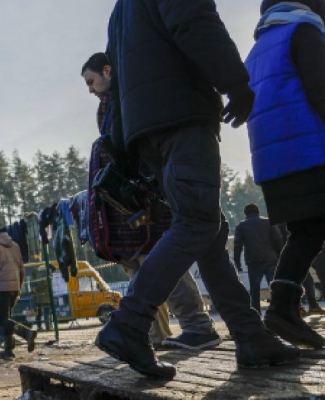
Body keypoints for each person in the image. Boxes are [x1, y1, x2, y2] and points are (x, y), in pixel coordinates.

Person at [96, 0, 300, 380]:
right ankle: (129, 323)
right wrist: (235, 83)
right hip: (182, 114)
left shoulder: (120, 10)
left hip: (147, 130)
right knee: (198, 222)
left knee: (208, 231)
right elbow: (196, 23)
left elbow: (120, 80)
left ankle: (250, 335)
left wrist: (124, 143)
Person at [82, 52, 222, 350]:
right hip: (123, 205)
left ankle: (198, 326)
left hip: (146, 199)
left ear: (107, 71)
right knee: (140, 268)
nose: (90, 89)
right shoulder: (109, 106)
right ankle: (153, 334)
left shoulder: (130, 98)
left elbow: (140, 146)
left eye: (91, 81)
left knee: (161, 264)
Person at [245, 0, 325, 348]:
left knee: (307, 230)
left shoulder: (258, 48)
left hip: (274, 159)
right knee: (311, 229)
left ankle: (283, 308)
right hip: (311, 149)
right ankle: (282, 307)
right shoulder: (302, 30)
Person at [0, 224, 37, 360]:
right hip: (14, 286)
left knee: (2, 319)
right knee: (6, 318)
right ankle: (8, 350)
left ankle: (27, 333)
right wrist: (19, 286)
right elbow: (21, 268)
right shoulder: (15, 245)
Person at [233, 203, 284, 314]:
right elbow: (278, 239)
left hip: (254, 261)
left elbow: (237, 245)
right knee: (274, 287)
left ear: (245, 213)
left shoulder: (241, 226)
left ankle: (256, 313)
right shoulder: (268, 222)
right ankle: (278, 311)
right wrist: (280, 256)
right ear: (258, 211)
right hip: (271, 259)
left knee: (255, 289)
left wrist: (237, 262)